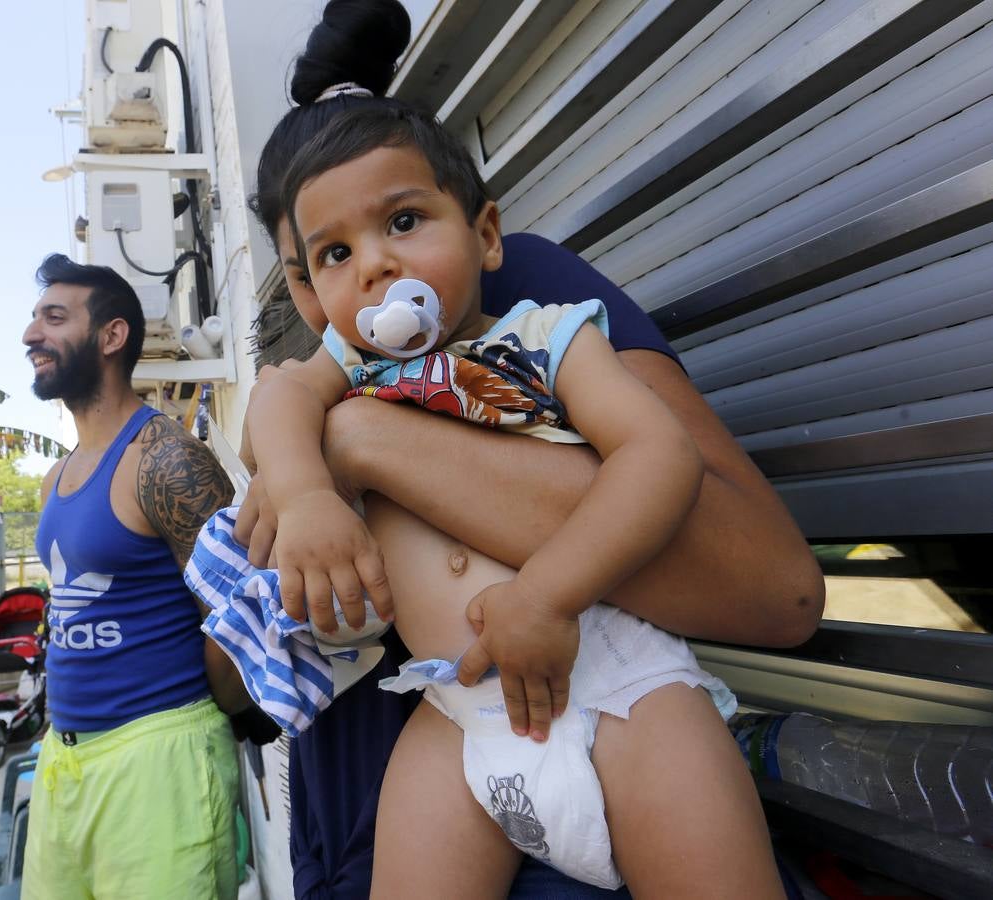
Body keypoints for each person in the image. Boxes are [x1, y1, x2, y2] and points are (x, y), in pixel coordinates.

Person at [239, 2, 823, 897]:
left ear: (484, 234)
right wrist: (308, 494)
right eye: (333, 253)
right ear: (307, 286)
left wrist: (548, 593)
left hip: (613, 676)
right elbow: (277, 407)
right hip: (456, 711)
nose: (375, 267)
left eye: (403, 224)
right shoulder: (343, 365)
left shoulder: (547, 333)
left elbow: (657, 457)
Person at [19, 253, 256, 900]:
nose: (30, 335)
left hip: (160, 761)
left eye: (54, 318)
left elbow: (239, 613)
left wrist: (201, 723)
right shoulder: (55, 478)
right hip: (62, 759)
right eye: (35, 318)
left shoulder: (168, 459)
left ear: (111, 335)